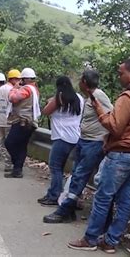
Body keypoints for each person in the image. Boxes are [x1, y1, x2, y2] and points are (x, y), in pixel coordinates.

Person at [68, 58, 130, 254]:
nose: (119, 77)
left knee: (103, 198)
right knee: (126, 200)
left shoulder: (129, 97)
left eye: (121, 73)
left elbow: (115, 126)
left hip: (121, 155)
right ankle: (111, 241)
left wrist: (101, 112)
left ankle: (91, 239)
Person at [43, 70, 113, 222]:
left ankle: (65, 211)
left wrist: (106, 136)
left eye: (80, 80)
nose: (78, 83)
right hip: (83, 140)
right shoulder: (87, 98)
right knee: (76, 175)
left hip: (94, 143)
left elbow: (112, 116)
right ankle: (70, 205)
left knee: (79, 176)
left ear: (85, 83)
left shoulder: (98, 95)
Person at [38, 76, 84, 205]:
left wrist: (50, 100)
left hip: (61, 137)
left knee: (55, 167)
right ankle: (64, 194)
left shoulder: (59, 98)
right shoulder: (79, 98)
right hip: (75, 137)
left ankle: (54, 195)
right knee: (66, 169)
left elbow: (46, 111)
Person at [4, 68, 41, 178]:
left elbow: (13, 98)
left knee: (9, 143)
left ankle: (17, 166)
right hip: (30, 121)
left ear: (24, 79)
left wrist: (14, 88)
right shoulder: (35, 89)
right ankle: (17, 170)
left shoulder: (26, 89)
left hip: (22, 121)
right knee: (21, 146)